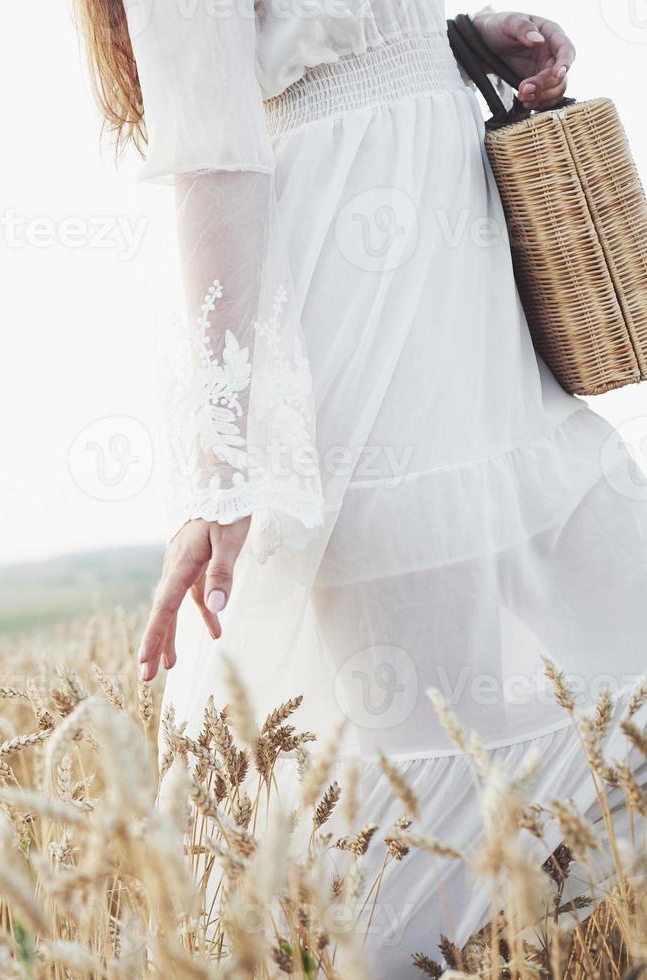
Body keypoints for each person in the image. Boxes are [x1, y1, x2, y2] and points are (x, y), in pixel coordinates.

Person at [74, 0, 647, 969]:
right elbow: (216, 159)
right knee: (411, 731)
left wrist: (454, 34)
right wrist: (221, 468)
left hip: (457, 260)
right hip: (356, 301)